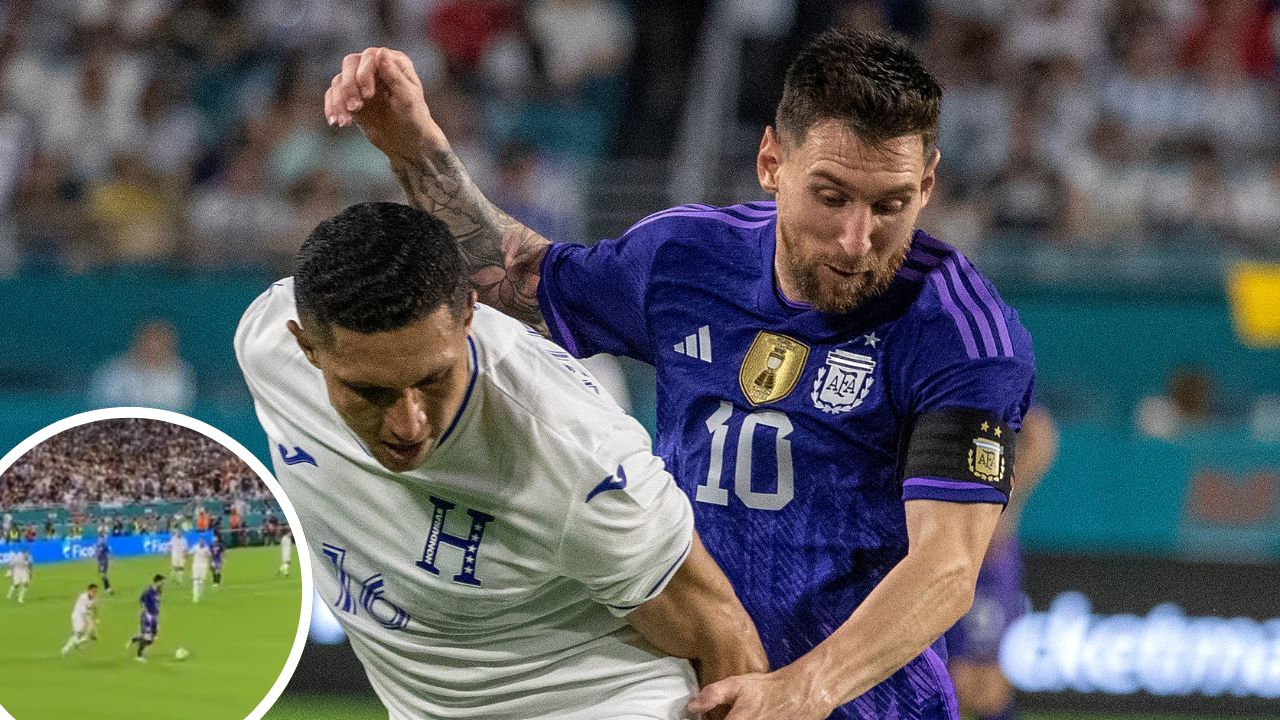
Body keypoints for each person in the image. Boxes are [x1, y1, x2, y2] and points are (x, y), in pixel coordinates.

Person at [325, 29, 1036, 719]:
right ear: (771, 163)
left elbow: (947, 566)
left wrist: (802, 690)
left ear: (929, 183)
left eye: (891, 205)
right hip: (690, 688)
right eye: (831, 196)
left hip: (861, 706)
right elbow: (508, 278)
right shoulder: (686, 259)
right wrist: (414, 144)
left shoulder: (961, 333)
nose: (858, 240)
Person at [235, 202, 767, 719]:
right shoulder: (265, 348)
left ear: (469, 313)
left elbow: (724, 635)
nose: (408, 423)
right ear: (306, 349)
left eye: (432, 380)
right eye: (370, 392)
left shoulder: (576, 459)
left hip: (603, 700)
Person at [945, 405, 1058, 720]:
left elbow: (1041, 433)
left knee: (983, 687)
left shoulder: (1000, 505)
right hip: (959, 565)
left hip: (988, 567)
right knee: (961, 682)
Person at [126, 574, 165, 662]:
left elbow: (157, 603)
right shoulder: (148, 591)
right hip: (148, 616)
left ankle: (134, 639)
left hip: (154, 616)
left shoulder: (159, 591)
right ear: (157, 581)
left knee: (152, 639)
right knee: (147, 637)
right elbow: (141, 601)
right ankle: (139, 656)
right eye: (162, 582)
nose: (163, 584)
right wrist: (146, 613)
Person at [61, 583, 98, 656]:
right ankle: (68, 648)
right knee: (78, 633)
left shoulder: (93, 599)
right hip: (77, 616)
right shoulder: (83, 597)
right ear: (88, 590)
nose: (94, 593)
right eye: (93, 591)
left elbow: (95, 608)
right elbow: (84, 611)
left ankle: (75, 644)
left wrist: (96, 617)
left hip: (84, 616)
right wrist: (90, 624)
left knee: (79, 634)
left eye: (95, 591)